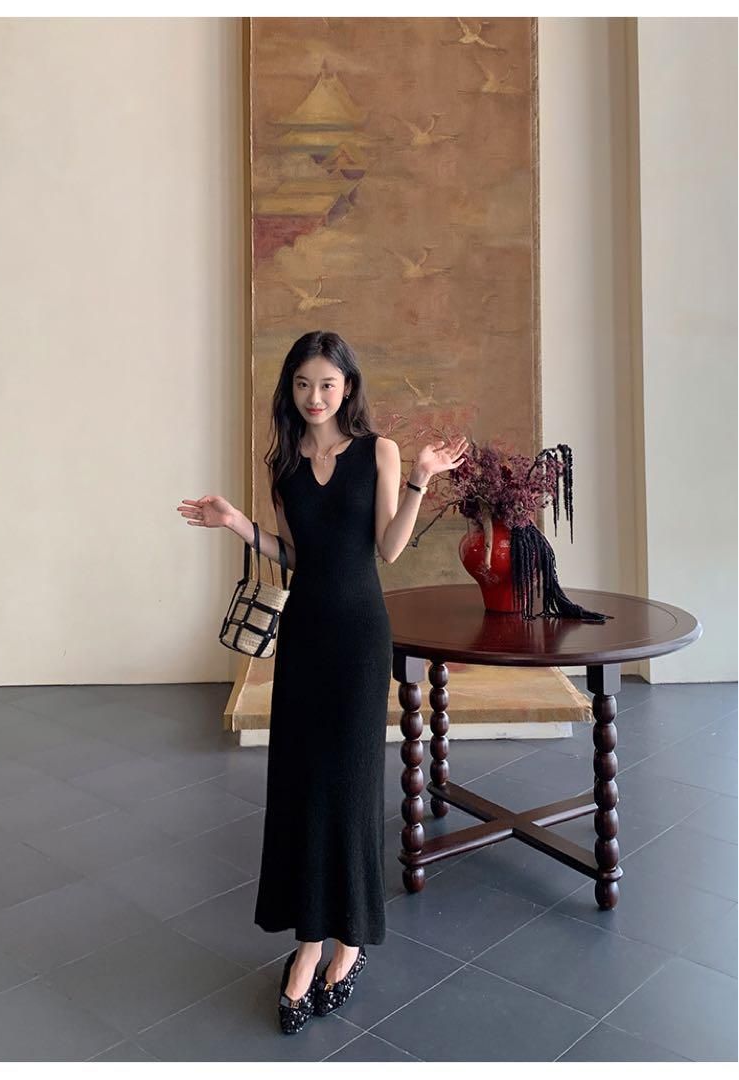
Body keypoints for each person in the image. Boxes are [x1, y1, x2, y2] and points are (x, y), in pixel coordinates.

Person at [177, 330, 467, 1034]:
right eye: (303, 384)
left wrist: (421, 478)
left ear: (347, 387)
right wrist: (236, 523)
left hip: (359, 637)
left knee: (351, 785)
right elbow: (295, 555)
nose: (314, 397)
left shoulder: (379, 452)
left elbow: (387, 549)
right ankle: (309, 942)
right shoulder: (283, 463)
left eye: (327, 384)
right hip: (304, 636)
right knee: (303, 786)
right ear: (292, 388)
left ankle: (349, 941)